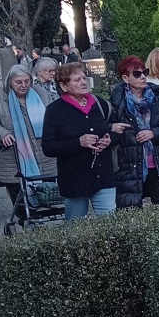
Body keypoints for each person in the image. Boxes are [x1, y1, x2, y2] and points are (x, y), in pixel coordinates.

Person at [41, 62, 119, 219]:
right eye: (77, 80)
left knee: (110, 225)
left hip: (103, 175)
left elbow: (117, 130)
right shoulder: (55, 110)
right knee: (76, 230)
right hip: (74, 179)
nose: (84, 82)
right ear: (63, 86)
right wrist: (79, 142)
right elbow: (48, 148)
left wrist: (109, 140)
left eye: (84, 78)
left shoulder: (100, 104)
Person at [110, 56, 159, 208]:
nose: (143, 76)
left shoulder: (156, 97)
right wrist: (114, 129)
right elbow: (111, 133)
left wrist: (154, 133)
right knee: (131, 215)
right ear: (125, 78)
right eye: (137, 74)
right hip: (129, 167)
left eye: (145, 72)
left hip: (157, 164)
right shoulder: (117, 101)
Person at [0, 64, 56, 210]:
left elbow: (54, 115)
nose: (23, 85)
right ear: (9, 82)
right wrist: (3, 133)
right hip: (13, 156)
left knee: (49, 195)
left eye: (27, 81)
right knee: (20, 201)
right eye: (18, 82)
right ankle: (25, 221)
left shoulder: (40, 93)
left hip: (43, 154)